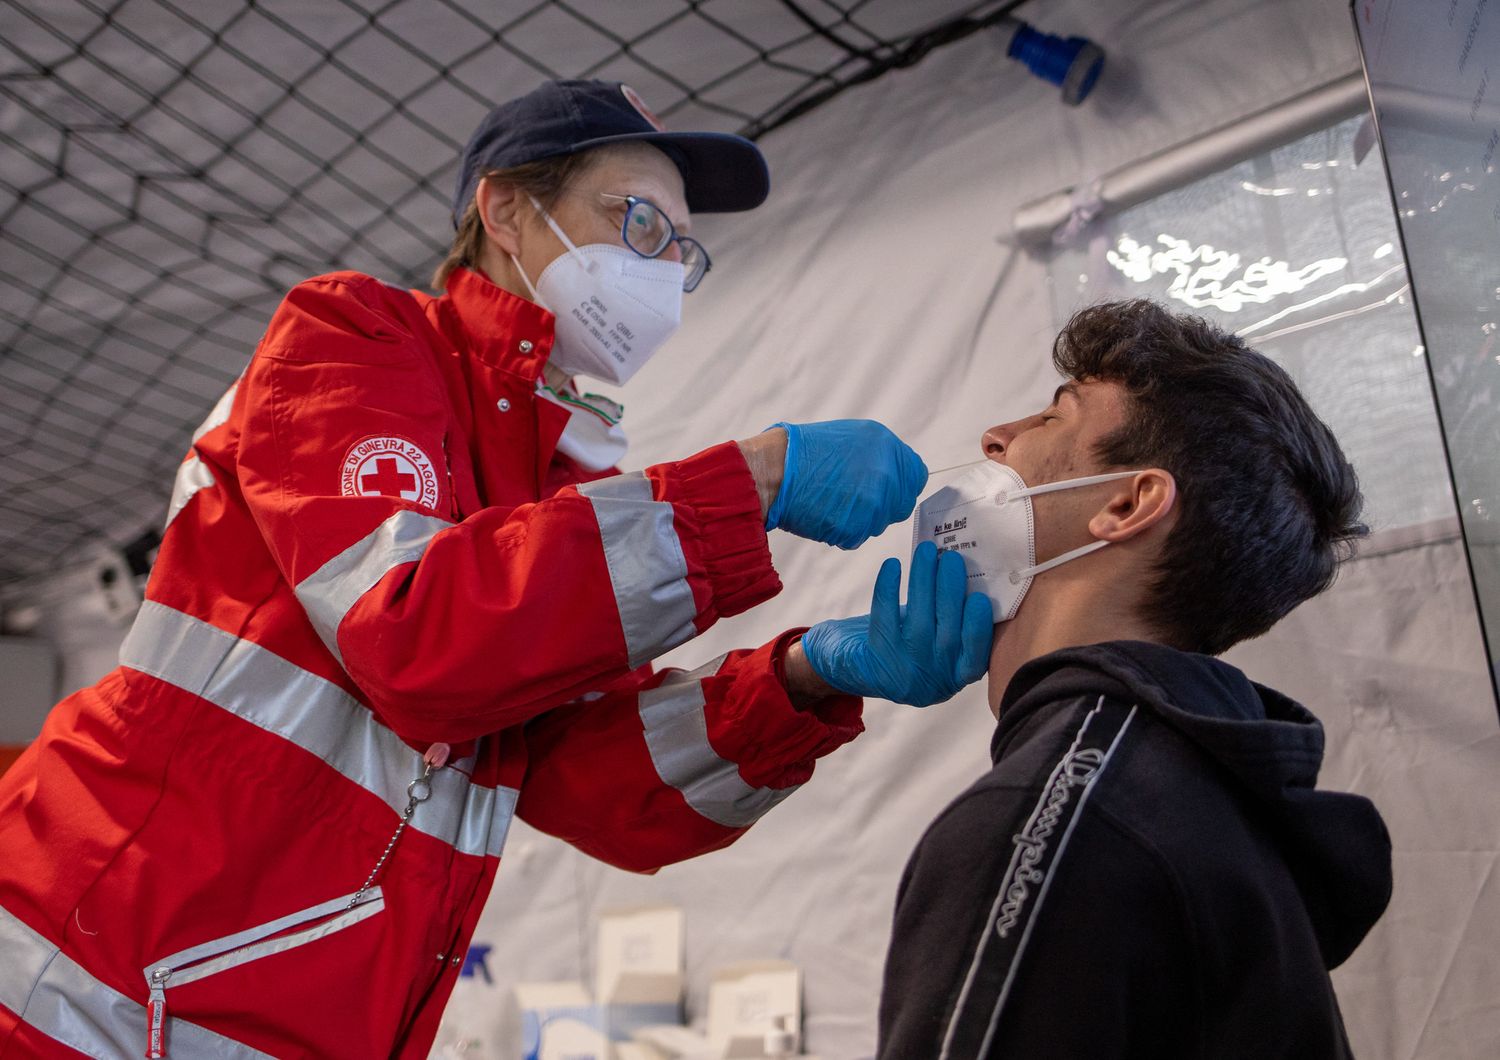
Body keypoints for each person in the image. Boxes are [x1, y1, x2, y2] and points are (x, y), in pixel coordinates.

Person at [0, 80, 991, 1058]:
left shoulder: (544, 493)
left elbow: (604, 787)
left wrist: (812, 674)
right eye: (638, 221)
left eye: (681, 252)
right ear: (507, 210)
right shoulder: (353, 339)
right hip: (82, 977)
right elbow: (415, 636)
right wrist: (756, 480)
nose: (663, 270)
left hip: (248, 1013)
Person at [823, 300, 1393, 1058]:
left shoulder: (1045, 821)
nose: (996, 436)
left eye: (1055, 417)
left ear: (1128, 503)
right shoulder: (1205, 788)